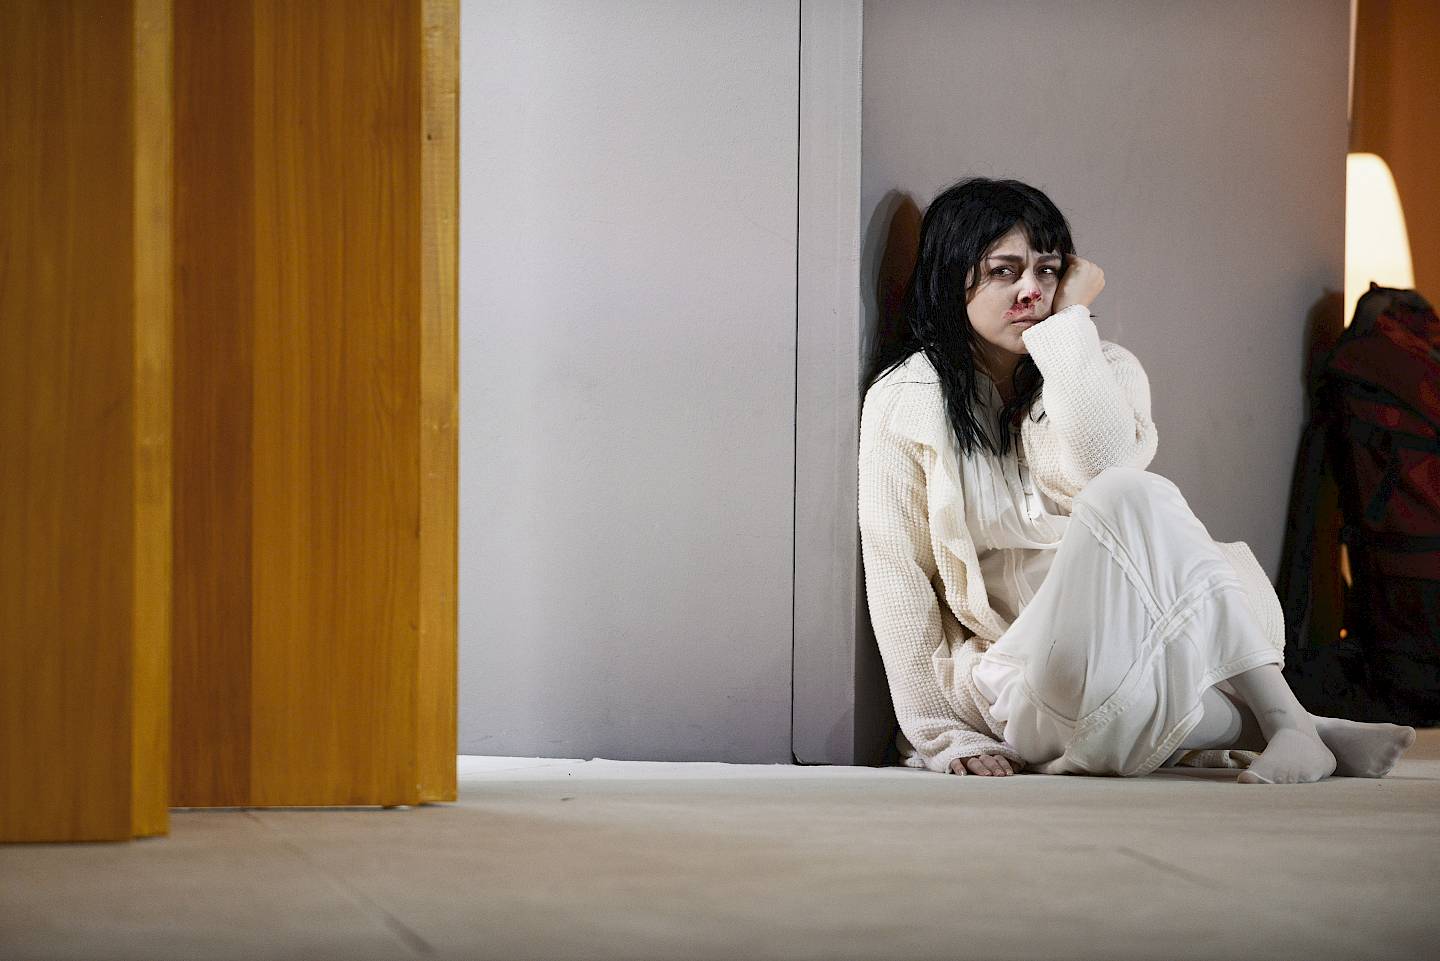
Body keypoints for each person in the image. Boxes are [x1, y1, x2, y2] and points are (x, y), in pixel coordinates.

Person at [858, 176, 1417, 783]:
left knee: (1129, 491)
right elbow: (899, 577)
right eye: (1003, 271)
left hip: (1133, 650)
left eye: (1048, 271)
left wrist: (1066, 329)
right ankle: (1297, 725)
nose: (1031, 290)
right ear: (951, 277)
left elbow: (1103, 469)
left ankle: (1289, 726)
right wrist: (942, 732)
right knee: (1110, 693)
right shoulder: (906, 400)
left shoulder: (1102, 368)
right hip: (1020, 678)